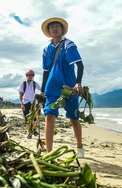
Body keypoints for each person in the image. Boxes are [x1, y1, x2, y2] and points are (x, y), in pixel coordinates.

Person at [40, 17, 85, 158]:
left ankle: (79, 145)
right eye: (51, 26)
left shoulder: (68, 45)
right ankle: (49, 153)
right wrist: (42, 90)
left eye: (57, 26)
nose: (54, 28)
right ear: (49, 31)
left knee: (74, 119)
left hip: (69, 87)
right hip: (52, 88)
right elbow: (46, 71)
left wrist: (78, 83)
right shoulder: (46, 49)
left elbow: (80, 64)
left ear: (62, 29)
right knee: (49, 116)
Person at [17, 70, 41, 139]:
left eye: (31, 75)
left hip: (33, 103)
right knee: (27, 119)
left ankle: (33, 129)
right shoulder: (23, 84)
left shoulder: (34, 84)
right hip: (25, 102)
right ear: (26, 76)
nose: (30, 77)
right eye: (29, 75)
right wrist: (21, 104)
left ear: (33, 76)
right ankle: (29, 133)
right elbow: (20, 94)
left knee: (34, 118)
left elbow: (41, 89)